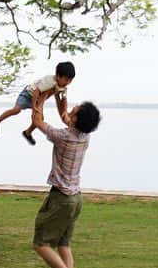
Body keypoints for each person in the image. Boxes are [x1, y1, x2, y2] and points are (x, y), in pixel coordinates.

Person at [29, 99, 101, 268]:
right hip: (76, 199)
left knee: (40, 244)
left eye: (74, 111)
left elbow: (37, 121)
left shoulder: (62, 137)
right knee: (63, 245)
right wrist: (62, 98)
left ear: (75, 119)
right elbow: (67, 119)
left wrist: (37, 101)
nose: (71, 111)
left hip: (61, 199)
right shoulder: (85, 137)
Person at [0, 62, 75, 145]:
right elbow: (36, 91)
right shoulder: (49, 80)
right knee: (16, 110)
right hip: (28, 94)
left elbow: (64, 99)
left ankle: (27, 133)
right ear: (58, 76)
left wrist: (65, 111)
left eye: (70, 80)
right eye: (66, 80)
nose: (67, 83)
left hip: (39, 100)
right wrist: (34, 106)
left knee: (40, 119)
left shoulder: (63, 87)